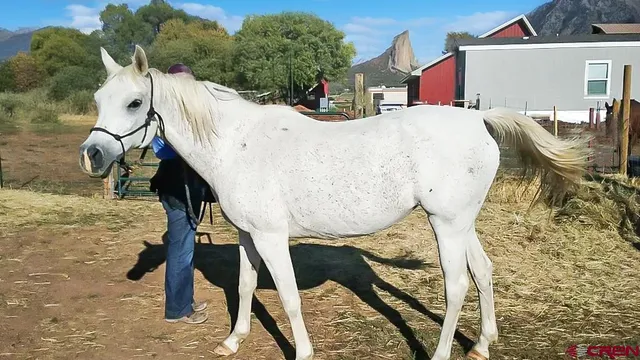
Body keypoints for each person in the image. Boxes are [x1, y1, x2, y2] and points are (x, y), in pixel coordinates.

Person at [149, 63, 214, 324]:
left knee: (186, 247)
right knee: (182, 250)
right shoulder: (162, 119)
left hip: (190, 188)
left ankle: (185, 300)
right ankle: (177, 310)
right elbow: (161, 151)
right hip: (177, 190)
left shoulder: (188, 114)